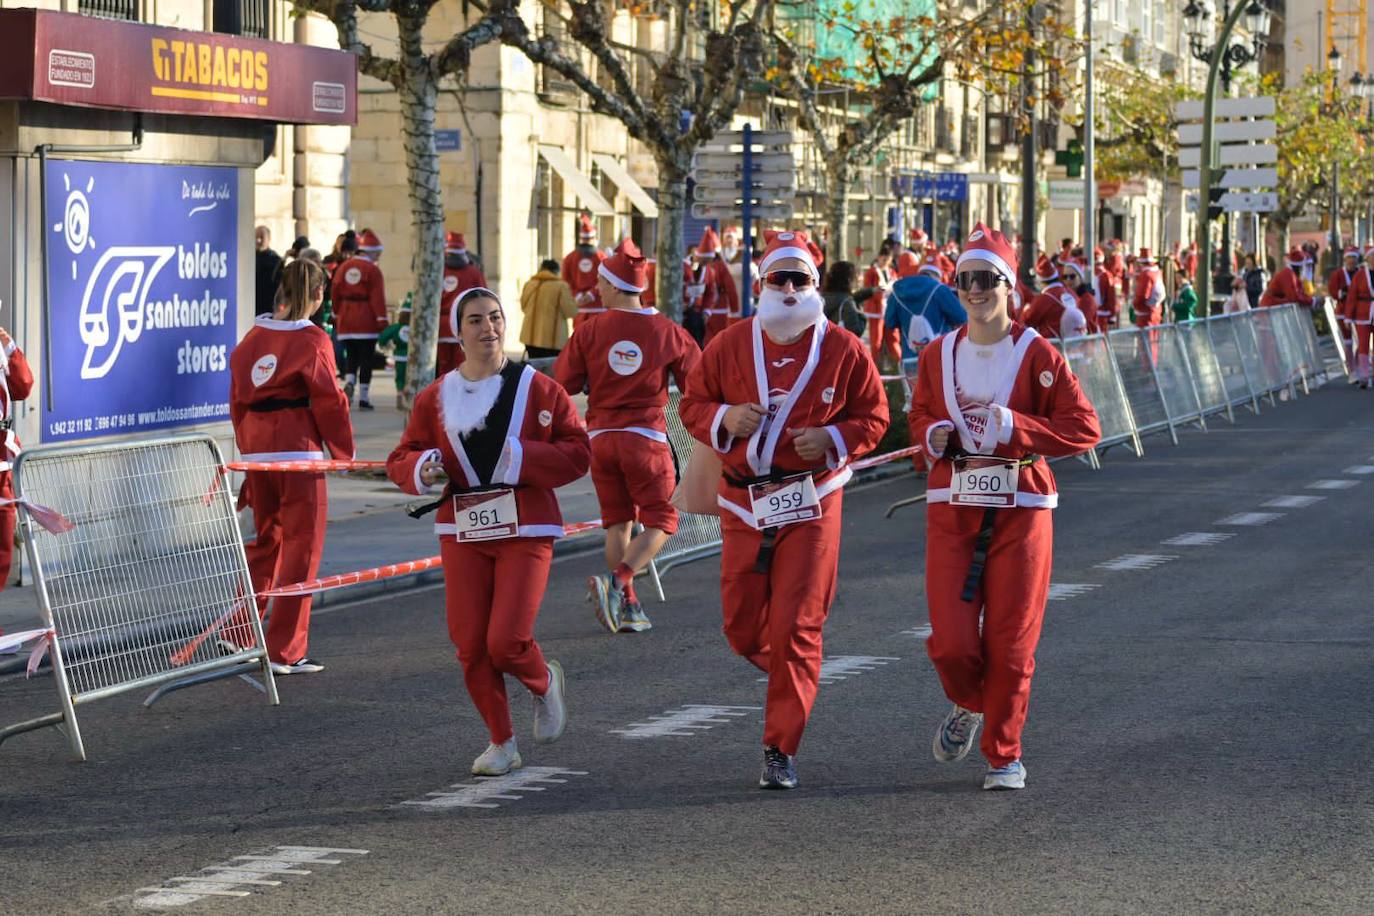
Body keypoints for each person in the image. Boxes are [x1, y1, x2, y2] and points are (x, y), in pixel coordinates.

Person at [679, 230, 888, 790]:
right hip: (745, 500)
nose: (790, 289)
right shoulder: (727, 344)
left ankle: (780, 745)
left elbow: (875, 416)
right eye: (780, 278)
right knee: (743, 629)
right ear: (763, 284)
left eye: (801, 279)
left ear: (816, 286)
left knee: (797, 625)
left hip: (813, 499)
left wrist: (835, 437)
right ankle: (798, 674)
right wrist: (725, 418)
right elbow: (692, 404)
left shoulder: (844, 348)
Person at [908, 222, 1100, 791]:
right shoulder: (937, 354)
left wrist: (1018, 426)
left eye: (987, 279)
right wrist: (932, 434)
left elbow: (1084, 428)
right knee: (951, 641)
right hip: (952, 505)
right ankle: (970, 704)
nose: (975, 289)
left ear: (1008, 285)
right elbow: (919, 416)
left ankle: (1003, 753)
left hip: (1022, 507)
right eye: (965, 279)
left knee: (1011, 645)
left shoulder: (1037, 353)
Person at [387, 286, 587, 775]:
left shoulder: (539, 388)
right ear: (458, 333)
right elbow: (401, 457)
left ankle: (542, 683)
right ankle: (502, 742)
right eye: (474, 320)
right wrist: (422, 468)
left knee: (507, 640)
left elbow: (579, 452)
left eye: (495, 317)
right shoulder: (434, 397)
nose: (488, 328)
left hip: (526, 525)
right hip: (463, 528)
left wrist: (523, 457)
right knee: (471, 644)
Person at [554, 239, 701, 634]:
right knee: (663, 519)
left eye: (602, 283)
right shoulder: (668, 331)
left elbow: (563, 382)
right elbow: (698, 384)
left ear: (616, 285)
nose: (596, 289)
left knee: (617, 523)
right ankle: (617, 582)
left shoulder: (589, 330)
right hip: (646, 440)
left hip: (600, 440)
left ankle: (628, 606)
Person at [227, 259, 354, 675]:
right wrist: (343, 451)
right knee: (303, 549)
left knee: (267, 541)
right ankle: (286, 649)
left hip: (259, 453)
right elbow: (328, 398)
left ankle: (240, 629)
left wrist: (248, 454)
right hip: (298, 453)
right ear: (318, 296)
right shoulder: (314, 340)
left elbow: (237, 401)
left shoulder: (251, 339)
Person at [331, 230, 388, 409]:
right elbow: (377, 298)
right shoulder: (373, 270)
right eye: (377, 253)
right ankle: (363, 397)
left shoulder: (343, 267)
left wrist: (336, 313)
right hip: (366, 320)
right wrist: (382, 321)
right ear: (370, 251)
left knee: (352, 357)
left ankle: (349, 384)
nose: (378, 256)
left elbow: (335, 292)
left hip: (346, 318)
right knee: (366, 359)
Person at [885, 258, 967, 364]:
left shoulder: (898, 291)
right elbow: (961, 317)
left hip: (910, 358)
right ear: (938, 275)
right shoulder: (939, 289)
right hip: (940, 355)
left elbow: (889, 322)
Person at [0, 325, 32, 592]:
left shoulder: (1, 348)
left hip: (2, 457)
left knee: (3, 538)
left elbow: (22, 387)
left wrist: (9, 346)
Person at [435, 231, 489, 376]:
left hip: (441, 325)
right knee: (463, 362)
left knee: (443, 366)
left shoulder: (438, 271)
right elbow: (484, 300)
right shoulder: (474, 273)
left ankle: (443, 394)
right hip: (465, 324)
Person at [519, 259, 578, 360]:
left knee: (535, 369)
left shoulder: (529, 284)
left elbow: (523, 307)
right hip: (553, 339)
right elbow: (570, 311)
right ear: (556, 271)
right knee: (551, 372)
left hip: (530, 336)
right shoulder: (561, 286)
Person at [693, 227, 740, 346]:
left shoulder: (696, 267)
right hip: (719, 309)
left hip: (700, 310)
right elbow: (730, 288)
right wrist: (734, 310)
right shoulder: (720, 265)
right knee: (719, 341)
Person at [1021, 255, 1084, 339]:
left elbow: (1027, 321)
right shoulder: (1071, 293)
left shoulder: (1044, 298)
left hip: (1053, 347)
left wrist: (1025, 309)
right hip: (1075, 345)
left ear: (1040, 281)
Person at [563, 215, 605, 330]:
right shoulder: (601, 257)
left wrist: (577, 295)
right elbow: (606, 280)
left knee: (580, 341)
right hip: (598, 308)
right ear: (594, 238)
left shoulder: (569, 258)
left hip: (579, 308)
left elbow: (566, 281)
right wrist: (591, 294)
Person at [862, 242, 899, 368]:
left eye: (887, 259)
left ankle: (897, 366)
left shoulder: (892, 272)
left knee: (893, 338)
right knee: (876, 341)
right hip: (876, 310)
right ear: (878, 257)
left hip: (890, 309)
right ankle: (875, 368)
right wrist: (877, 292)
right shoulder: (871, 272)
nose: (885, 262)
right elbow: (867, 289)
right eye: (883, 259)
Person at [1343, 246, 1374, 386]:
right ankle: (1364, 375)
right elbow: (1352, 296)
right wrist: (1348, 318)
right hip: (1362, 313)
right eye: (1372, 255)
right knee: (1363, 344)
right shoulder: (1360, 274)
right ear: (1367, 258)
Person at [378, 297, 412, 409]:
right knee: (410, 378)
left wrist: (384, 344)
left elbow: (383, 336)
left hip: (399, 357)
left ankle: (399, 394)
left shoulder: (397, 327)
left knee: (400, 378)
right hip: (412, 357)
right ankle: (410, 398)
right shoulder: (416, 327)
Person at [819, 260, 867, 336]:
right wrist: (862, 316)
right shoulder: (847, 302)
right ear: (849, 280)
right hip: (839, 345)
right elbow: (856, 331)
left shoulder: (821, 297)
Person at [1329, 247, 1360, 360]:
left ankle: (1358, 364)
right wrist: (1343, 292)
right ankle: (1351, 367)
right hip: (1342, 311)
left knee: (1361, 340)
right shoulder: (1338, 274)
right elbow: (1332, 291)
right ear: (1345, 260)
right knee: (1348, 341)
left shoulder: (1361, 272)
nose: (1351, 260)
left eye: (1354, 258)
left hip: (1359, 313)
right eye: (1349, 258)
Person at [1059, 258, 1097, 335]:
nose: (1068, 280)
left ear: (1081, 278)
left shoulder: (1087, 298)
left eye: (1072, 276)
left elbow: (1078, 323)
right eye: (1065, 277)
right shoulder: (1066, 295)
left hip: (1088, 343)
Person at [1131, 248, 1164, 328]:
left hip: (1145, 314)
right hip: (1155, 311)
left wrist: (1134, 304)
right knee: (1154, 338)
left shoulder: (1146, 275)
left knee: (1145, 339)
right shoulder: (1157, 272)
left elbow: (1142, 295)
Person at [254, 226, 283, 317]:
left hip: (267, 306)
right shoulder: (248, 257)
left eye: (262, 237)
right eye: (256, 237)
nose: (258, 240)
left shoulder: (275, 260)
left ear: (269, 239)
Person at [1092, 249, 1118, 331]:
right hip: (1102, 314)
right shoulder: (1107, 275)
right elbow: (1111, 297)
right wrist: (1112, 315)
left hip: (1090, 313)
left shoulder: (1085, 273)